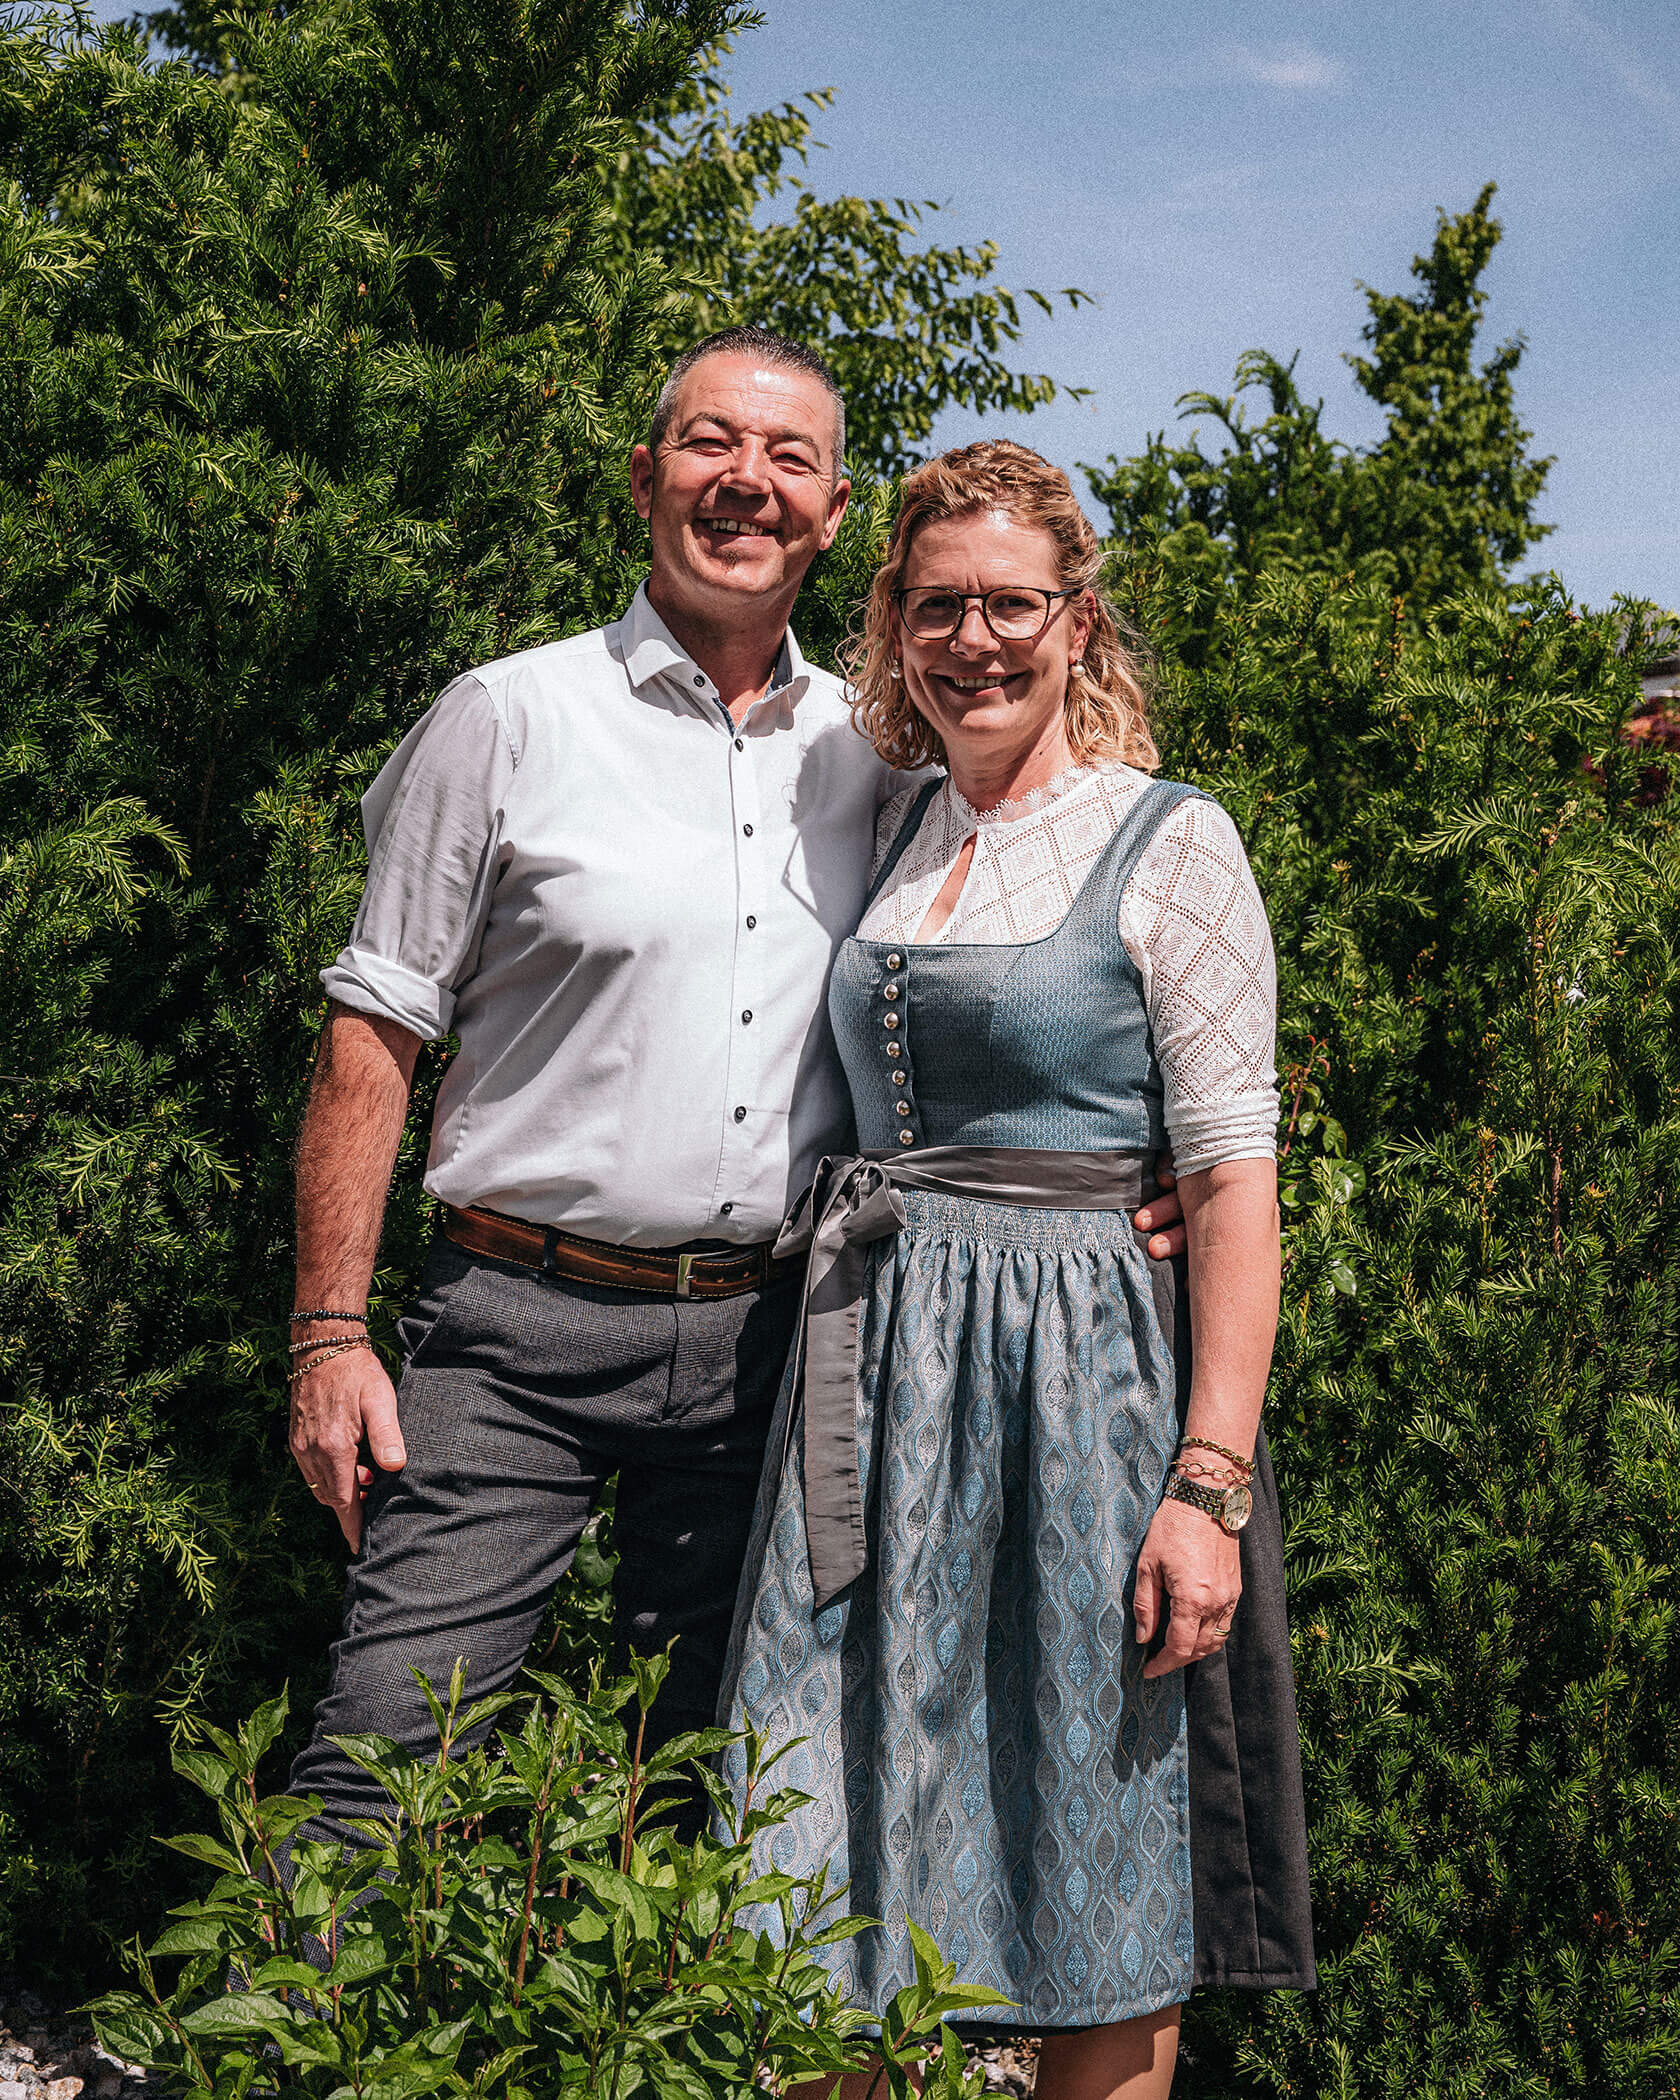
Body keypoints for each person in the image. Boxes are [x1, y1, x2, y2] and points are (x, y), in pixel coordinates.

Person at [282, 332, 1188, 1834]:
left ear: (834, 516)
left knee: (731, 1792)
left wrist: (1132, 1172)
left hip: (776, 1343)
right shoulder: (507, 718)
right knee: (385, 1762)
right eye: (711, 443)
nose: (746, 482)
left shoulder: (884, 756)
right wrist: (328, 1333)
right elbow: (372, 1032)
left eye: (788, 458)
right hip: (511, 1330)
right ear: (648, 479)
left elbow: (1010, 983)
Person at [717, 439, 1314, 2100]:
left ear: (1077, 622)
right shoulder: (896, 822)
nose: (973, 640)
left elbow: (1234, 1180)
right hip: (871, 1383)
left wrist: (1209, 1485)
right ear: (893, 622)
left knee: (1091, 1844)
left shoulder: (1170, 842)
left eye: (1010, 606)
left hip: (1081, 1396)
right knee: (815, 1847)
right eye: (936, 607)